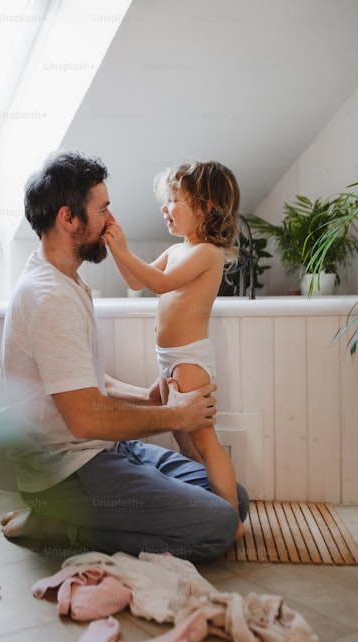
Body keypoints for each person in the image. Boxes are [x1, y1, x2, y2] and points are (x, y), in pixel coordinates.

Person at [0, 150, 249, 562]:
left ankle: (86, 516)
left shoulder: (66, 281)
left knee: (232, 500)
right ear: (69, 219)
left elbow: (88, 379)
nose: (111, 221)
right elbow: (85, 418)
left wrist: (147, 398)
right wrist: (175, 416)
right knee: (220, 525)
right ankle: (66, 524)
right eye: (104, 210)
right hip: (71, 471)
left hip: (105, 450)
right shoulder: (49, 298)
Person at [101, 162, 243, 527]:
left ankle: (229, 517)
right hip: (169, 359)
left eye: (175, 200)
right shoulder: (180, 248)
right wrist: (118, 251)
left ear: (206, 207)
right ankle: (204, 508)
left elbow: (161, 284)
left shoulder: (207, 253)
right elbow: (137, 280)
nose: (165, 208)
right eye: (166, 201)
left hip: (189, 361)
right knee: (185, 442)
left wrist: (125, 249)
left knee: (206, 442)